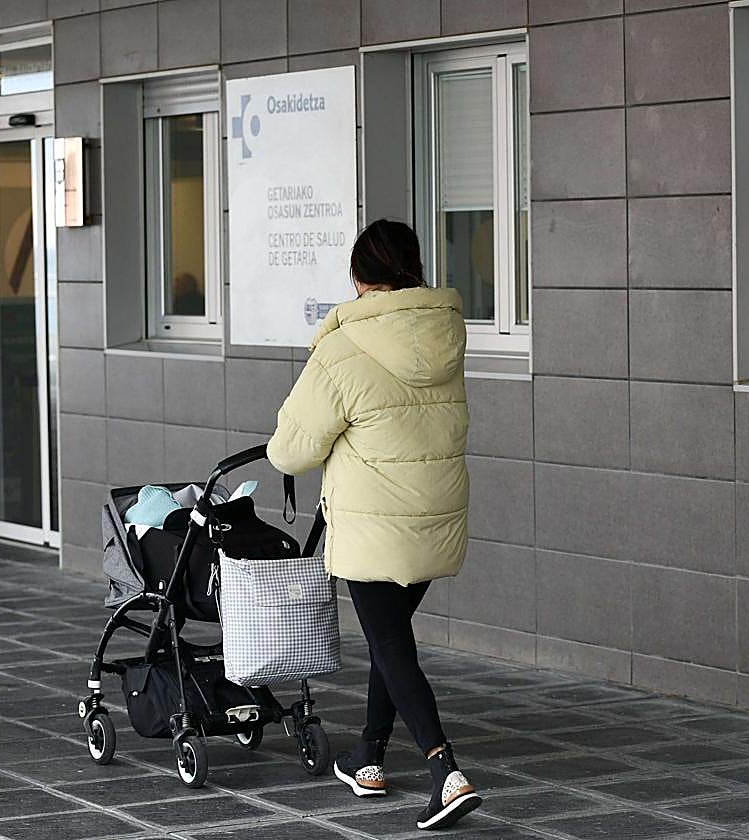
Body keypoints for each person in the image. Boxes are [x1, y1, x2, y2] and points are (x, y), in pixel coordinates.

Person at [267, 219, 478, 831]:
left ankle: (446, 771)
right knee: (394, 644)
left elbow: (291, 451)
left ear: (360, 279)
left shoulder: (343, 347)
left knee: (390, 646)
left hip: (372, 525)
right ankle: (368, 756)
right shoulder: (444, 335)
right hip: (435, 518)